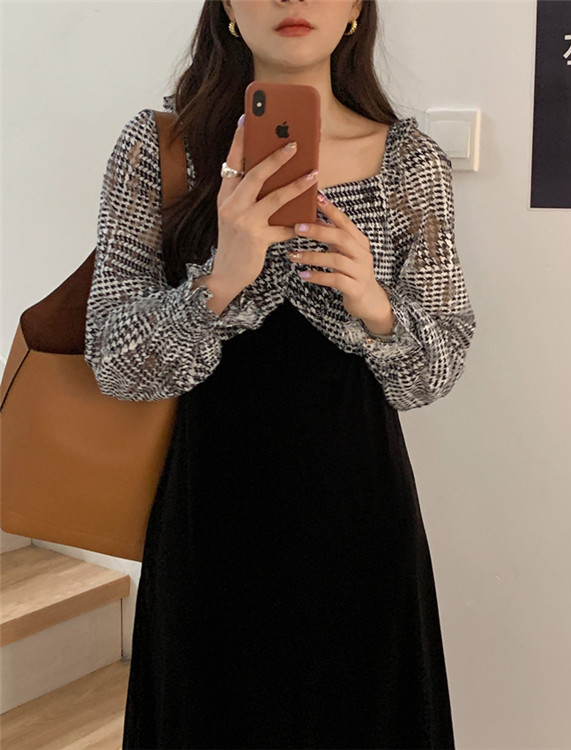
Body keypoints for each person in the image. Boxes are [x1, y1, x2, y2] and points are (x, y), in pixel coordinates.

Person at [84, 0, 476, 747]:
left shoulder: (410, 162)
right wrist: (221, 280)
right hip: (210, 514)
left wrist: (374, 305)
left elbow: (437, 369)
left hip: (360, 516)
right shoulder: (160, 149)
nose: (293, 0)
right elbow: (115, 362)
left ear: (356, 10)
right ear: (228, 10)